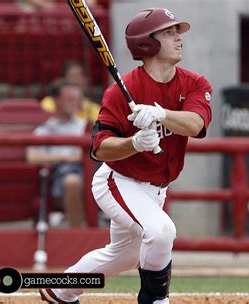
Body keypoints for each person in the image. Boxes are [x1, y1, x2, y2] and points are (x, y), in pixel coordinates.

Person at [40, 7, 212, 304]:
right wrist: (134, 142)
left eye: (176, 32)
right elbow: (99, 147)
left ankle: (60, 290)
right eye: (168, 33)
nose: (178, 38)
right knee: (161, 233)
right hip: (118, 181)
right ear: (148, 43)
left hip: (156, 188)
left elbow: (196, 124)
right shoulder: (123, 90)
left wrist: (160, 114)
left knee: (124, 255)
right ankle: (155, 300)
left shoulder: (194, 83)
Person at [27, 80, 88, 228]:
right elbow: (32, 157)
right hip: (60, 177)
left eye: (77, 100)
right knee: (72, 181)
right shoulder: (45, 129)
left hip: (91, 173)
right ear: (56, 100)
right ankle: (77, 234)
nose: (75, 104)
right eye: (69, 100)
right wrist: (68, 157)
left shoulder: (87, 125)